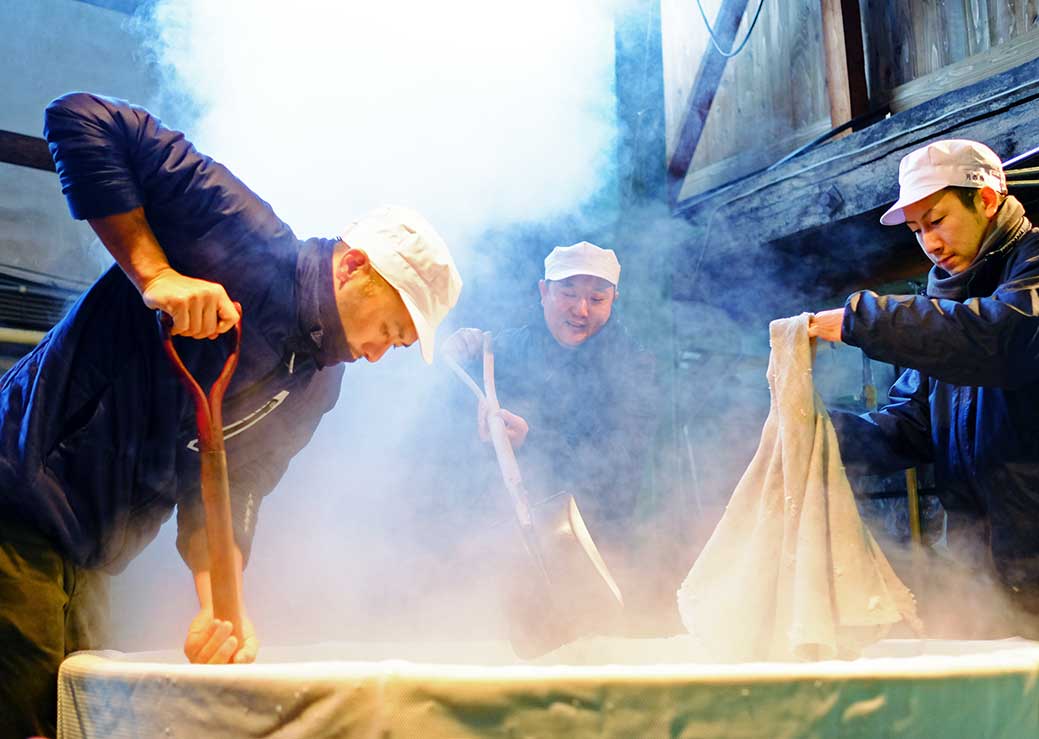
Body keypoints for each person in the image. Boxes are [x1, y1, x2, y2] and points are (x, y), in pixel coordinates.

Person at [0, 91, 462, 738]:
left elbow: (234, 487)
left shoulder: (317, 385)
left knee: (84, 719)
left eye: (399, 344)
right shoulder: (237, 230)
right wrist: (154, 272)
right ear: (355, 265)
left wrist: (221, 607)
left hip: (90, 551)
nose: (380, 354)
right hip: (16, 495)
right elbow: (78, 117)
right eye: (389, 327)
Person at [808, 138, 1039, 641]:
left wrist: (863, 320)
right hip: (987, 590)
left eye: (937, 220)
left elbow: (1001, 341)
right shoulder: (945, 313)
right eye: (917, 229)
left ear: (987, 199)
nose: (928, 242)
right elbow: (909, 425)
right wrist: (819, 438)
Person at [443, 241, 657, 551]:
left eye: (597, 298)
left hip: (588, 540)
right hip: (501, 537)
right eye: (568, 294)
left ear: (614, 300)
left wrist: (532, 441)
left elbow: (617, 471)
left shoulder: (634, 366)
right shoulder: (505, 350)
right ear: (544, 292)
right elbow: (451, 428)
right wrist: (466, 352)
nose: (581, 310)